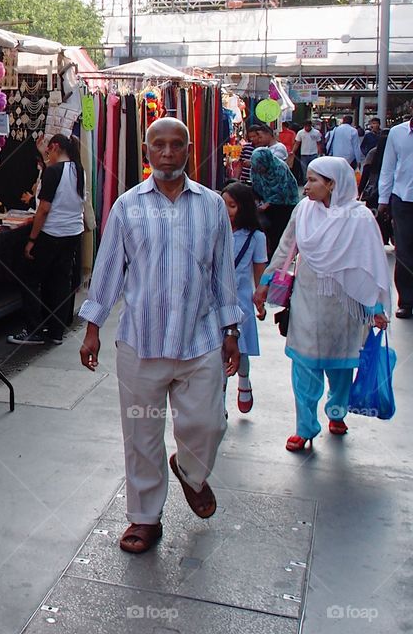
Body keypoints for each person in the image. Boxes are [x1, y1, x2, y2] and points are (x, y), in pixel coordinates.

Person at [78, 117, 242, 555]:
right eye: (159, 145)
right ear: (147, 152)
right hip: (141, 341)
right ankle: (144, 518)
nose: (167, 153)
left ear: (189, 150)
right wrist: (92, 328)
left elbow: (224, 272)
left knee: (208, 423)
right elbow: (109, 269)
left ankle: (191, 470)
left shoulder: (211, 206)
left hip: (201, 337)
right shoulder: (127, 206)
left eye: (176, 145)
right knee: (142, 433)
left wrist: (232, 330)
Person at [255, 157, 391, 451]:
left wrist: (377, 308)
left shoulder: (359, 218)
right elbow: (286, 247)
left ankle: (337, 412)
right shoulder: (303, 211)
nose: (307, 187)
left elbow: (370, 265)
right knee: (303, 364)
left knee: (341, 366)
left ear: (332, 184)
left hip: (345, 306)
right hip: (307, 299)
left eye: (315, 180)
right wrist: (265, 283)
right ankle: (305, 427)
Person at [8, 133, 86, 346]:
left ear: (56, 147)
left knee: (30, 278)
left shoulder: (54, 172)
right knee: (60, 280)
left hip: (53, 233)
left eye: (49, 151)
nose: (48, 155)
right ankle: (56, 331)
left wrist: (32, 239)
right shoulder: (79, 170)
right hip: (73, 232)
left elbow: (44, 209)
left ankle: (33, 329)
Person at [221, 182, 268, 414]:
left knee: (242, 348)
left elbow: (260, 269)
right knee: (219, 354)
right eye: (223, 204)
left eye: (232, 205)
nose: (228, 210)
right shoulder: (215, 232)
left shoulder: (256, 237)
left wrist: (260, 298)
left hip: (242, 304)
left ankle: (244, 381)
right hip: (217, 303)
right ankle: (219, 403)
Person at [378, 117, 413, 319]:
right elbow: (388, 167)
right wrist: (383, 199)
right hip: (403, 198)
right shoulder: (397, 133)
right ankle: (406, 301)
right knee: (404, 251)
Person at [249, 146, 300, 257]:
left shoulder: (279, 168)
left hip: (285, 203)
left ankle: (280, 258)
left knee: (280, 231)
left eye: (261, 166)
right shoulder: (255, 168)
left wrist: (268, 203)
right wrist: (258, 201)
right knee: (268, 230)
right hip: (265, 203)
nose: (259, 169)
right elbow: (255, 185)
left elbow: (283, 189)